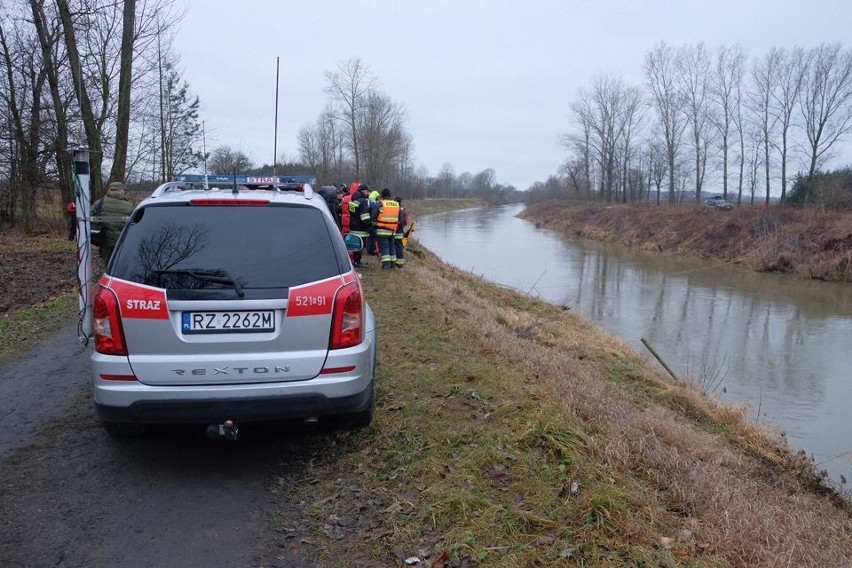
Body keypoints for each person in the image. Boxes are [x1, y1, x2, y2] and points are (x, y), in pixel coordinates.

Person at [96, 181, 134, 264]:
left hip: (105, 241)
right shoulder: (129, 206)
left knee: (108, 265)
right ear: (122, 191)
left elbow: (91, 218)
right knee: (120, 265)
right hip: (122, 242)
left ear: (109, 190)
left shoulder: (99, 203)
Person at [347, 184, 373, 268]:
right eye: (367, 191)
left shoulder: (353, 199)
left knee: (355, 244)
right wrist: (370, 224)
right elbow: (364, 216)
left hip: (353, 225)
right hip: (361, 227)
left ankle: (355, 261)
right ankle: (357, 262)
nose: (368, 193)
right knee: (360, 245)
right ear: (363, 191)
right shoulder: (363, 201)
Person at [375, 189, 400, 269]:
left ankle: (386, 265)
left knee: (385, 247)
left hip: (382, 229)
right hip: (393, 230)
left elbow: (374, 215)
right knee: (392, 246)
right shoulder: (396, 204)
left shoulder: (381, 203)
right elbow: (398, 217)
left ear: (382, 196)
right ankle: (393, 264)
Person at [393, 196, 409, 268]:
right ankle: (399, 263)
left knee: (396, 246)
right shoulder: (402, 210)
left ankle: (397, 263)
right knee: (398, 246)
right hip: (400, 231)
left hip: (396, 231)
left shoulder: (397, 210)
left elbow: (400, 221)